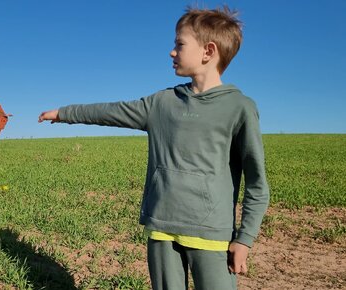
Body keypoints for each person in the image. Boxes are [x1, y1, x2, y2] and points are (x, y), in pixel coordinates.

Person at [38, 6, 269, 290]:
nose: (172, 52)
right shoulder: (161, 103)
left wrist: (244, 239)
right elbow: (111, 111)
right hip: (161, 230)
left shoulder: (240, 108)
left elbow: (257, 185)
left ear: (208, 51)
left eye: (179, 44)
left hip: (212, 236)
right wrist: (64, 113)